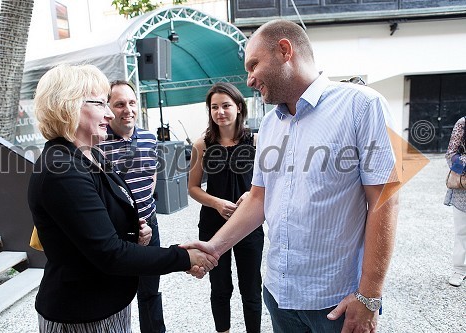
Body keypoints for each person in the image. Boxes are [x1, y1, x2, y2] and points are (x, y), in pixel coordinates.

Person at [183, 19, 399, 333]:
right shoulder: (270, 125)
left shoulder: (364, 105)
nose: (250, 79)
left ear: (285, 51)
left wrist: (369, 297)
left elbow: (386, 203)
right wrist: (214, 248)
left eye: (253, 65)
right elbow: (259, 198)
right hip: (278, 295)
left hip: (335, 303)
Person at [27, 64, 216, 332]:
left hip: (106, 304)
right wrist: (184, 258)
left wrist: (133, 233)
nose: (108, 113)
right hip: (82, 313)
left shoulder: (90, 154)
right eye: (101, 103)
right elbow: (109, 254)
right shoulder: (63, 169)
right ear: (69, 105)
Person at [188, 82, 264, 333]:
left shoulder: (256, 140)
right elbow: (193, 188)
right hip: (213, 223)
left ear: (239, 107)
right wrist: (217, 202)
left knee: (251, 286)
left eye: (226, 106)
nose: (220, 111)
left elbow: (269, 182)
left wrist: (250, 194)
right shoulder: (202, 145)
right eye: (214, 107)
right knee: (220, 287)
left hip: (248, 223)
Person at [97, 80, 166, 333]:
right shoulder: (98, 144)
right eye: (120, 104)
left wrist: (147, 213)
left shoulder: (150, 138)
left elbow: (152, 175)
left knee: (150, 292)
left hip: (151, 226)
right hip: (119, 235)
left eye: (132, 102)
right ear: (108, 107)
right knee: (117, 294)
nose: (128, 109)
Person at [444, 116, 466, 287]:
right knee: (462, 230)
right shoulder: (463, 123)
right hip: (463, 188)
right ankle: (459, 269)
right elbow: (451, 154)